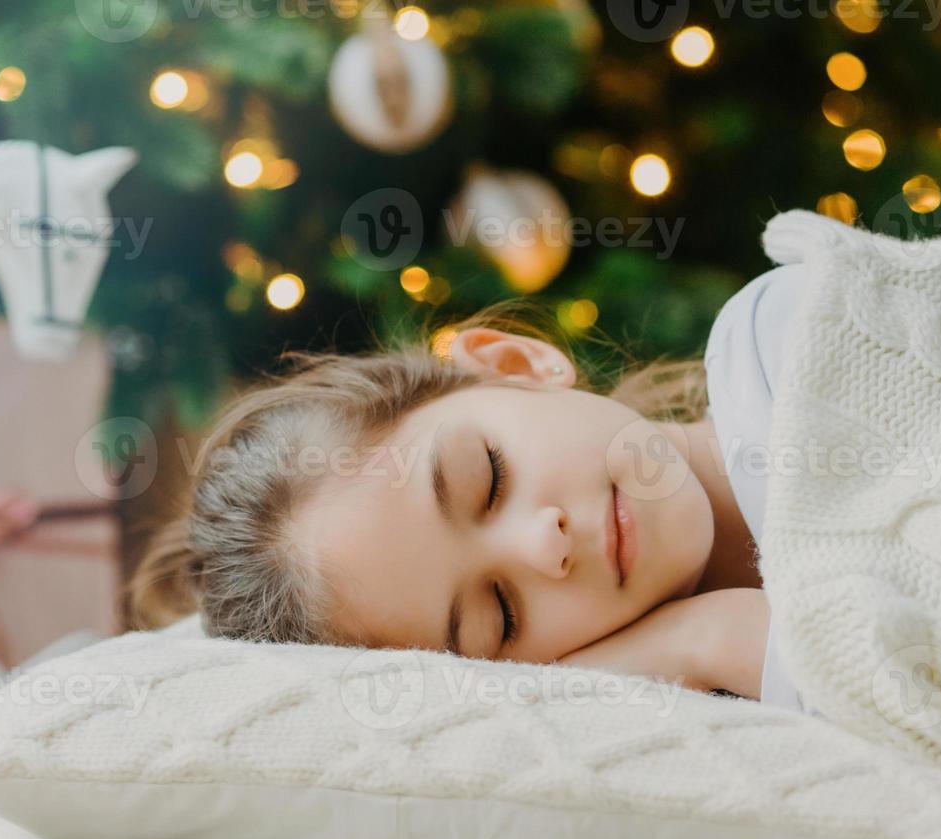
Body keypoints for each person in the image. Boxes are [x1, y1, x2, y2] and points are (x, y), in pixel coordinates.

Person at [132, 265, 816, 710]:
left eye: (487, 476)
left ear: (514, 364)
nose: (542, 545)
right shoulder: (717, 700)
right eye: (500, 616)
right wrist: (703, 644)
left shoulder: (788, 343)